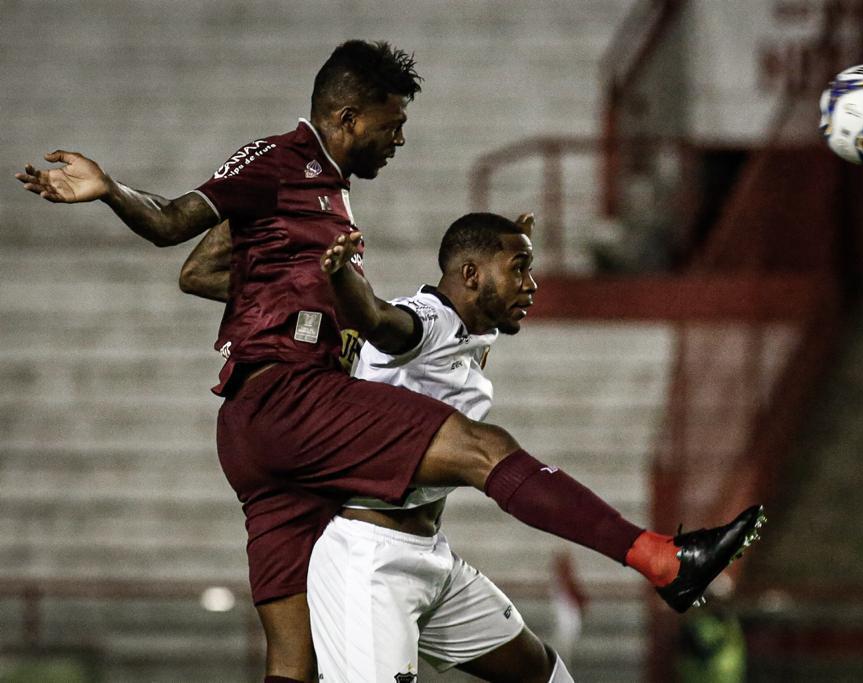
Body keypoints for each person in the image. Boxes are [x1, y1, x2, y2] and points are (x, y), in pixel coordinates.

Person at [16, 39, 765, 683]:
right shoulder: (285, 161)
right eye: (391, 123)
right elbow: (175, 227)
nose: (398, 139)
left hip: (256, 439)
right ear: (347, 117)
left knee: (290, 660)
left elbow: (207, 273)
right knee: (482, 449)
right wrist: (111, 190)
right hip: (289, 401)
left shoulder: (322, 199)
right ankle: (661, 557)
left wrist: (305, 284)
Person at [305, 211, 569, 681]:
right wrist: (342, 275)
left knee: (542, 672)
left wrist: (505, 236)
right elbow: (379, 319)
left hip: (430, 555)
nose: (531, 283)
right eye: (519, 267)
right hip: (371, 558)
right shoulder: (428, 318)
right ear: (471, 274)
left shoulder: (469, 330)